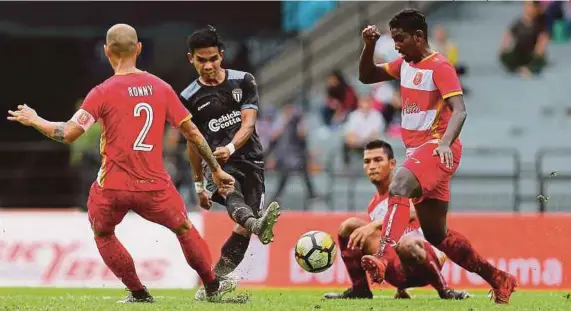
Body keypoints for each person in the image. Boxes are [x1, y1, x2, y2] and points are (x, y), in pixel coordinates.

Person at [7, 24, 237, 304]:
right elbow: (193, 134)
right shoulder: (161, 88)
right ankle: (213, 288)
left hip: (112, 187)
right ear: (139, 49)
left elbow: (67, 133)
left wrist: (35, 119)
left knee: (103, 232)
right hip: (155, 187)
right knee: (184, 229)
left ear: (106, 52)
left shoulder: (101, 92)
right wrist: (216, 168)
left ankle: (139, 293)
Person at [358, 10, 518, 304]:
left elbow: (460, 110)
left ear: (419, 37)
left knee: (398, 186)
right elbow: (366, 76)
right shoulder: (403, 65)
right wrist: (369, 46)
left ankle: (381, 256)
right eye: (394, 39)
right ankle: (499, 278)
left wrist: (444, 143)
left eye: (401, 39)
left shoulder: (440, 66)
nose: (396, 45)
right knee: (436, 234)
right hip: (419, 151)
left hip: (437, 148)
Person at [178, 26, 281, 300]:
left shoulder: (243, 80)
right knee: (229, 190)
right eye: (202, 60)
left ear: (221, 56)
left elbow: (249, 123)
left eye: (213, 58)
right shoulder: (187, 97)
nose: (208, 65)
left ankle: (214, 284)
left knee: (242, 227)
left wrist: (231, 147)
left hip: (251, 160)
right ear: (191, 59)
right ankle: (256, 224)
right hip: (217, 165)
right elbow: (192, 142)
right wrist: (199, 184)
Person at [324, 140, 470, 300]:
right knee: (349, 226)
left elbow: (414, 212)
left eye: (378, 160)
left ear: (392, 163)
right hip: (397, 270)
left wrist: (372, 226)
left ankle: (445, 291)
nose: (372, 166)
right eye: (367, 161)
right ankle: (360, 289)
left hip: (423, 258)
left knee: (406, 244)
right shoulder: (373, 205)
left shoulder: (408, 185)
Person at [500, 1, 549, 77]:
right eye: (526, 5)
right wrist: (504, 47)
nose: (527, 8)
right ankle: (518, 67)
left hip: (532, 54)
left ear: (536, 9)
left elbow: (543, 40)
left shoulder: (540, 24)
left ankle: (529, 69)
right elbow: (508, 34)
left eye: (529, 6)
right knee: (504, 56)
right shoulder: (519, 23)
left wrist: (538, 52)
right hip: (518, 52)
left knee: (539, 60)